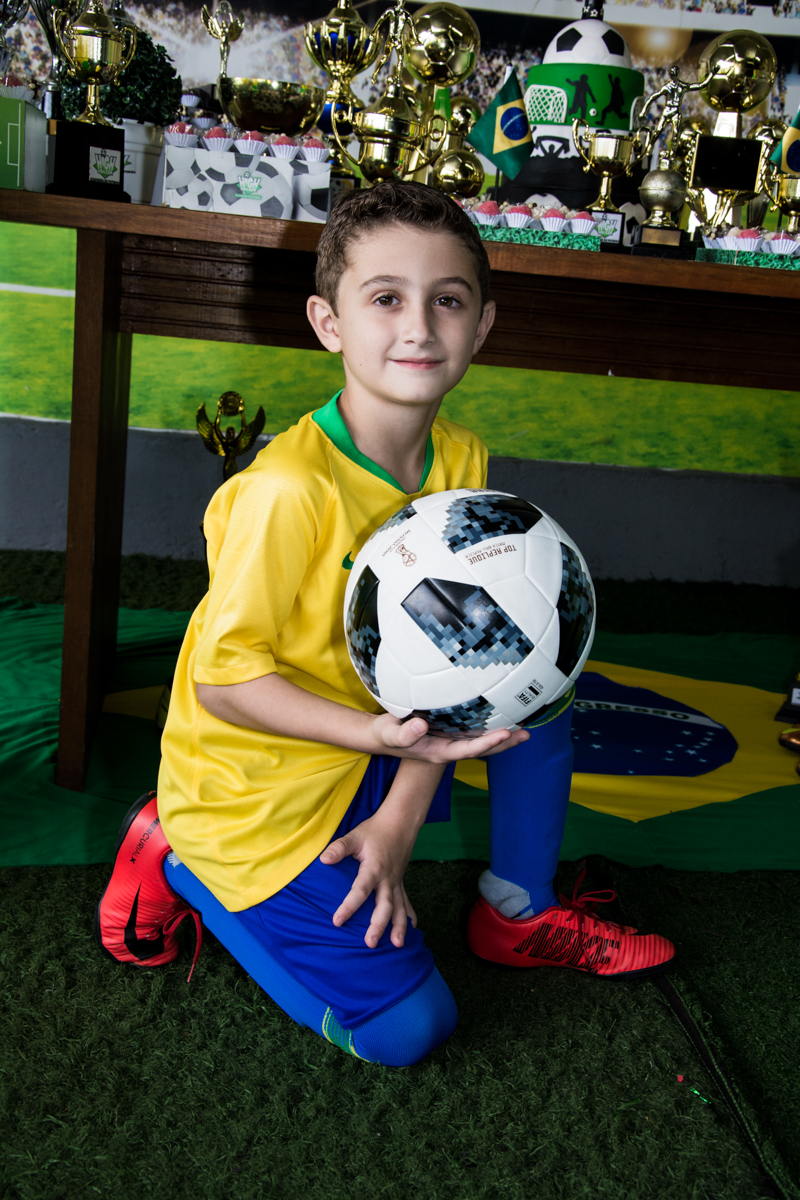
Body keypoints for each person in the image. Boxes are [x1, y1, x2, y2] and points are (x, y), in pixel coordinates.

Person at [96, 181, 674, 1067]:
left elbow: (466, 665)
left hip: (381, 742)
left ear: (482, 326)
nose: (419, 327)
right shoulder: (285, 493)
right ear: (329, 322)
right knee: (410, 1032)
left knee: (536, 686)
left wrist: (401, 817)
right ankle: (182, 860)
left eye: (448, 300)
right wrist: (379, 736)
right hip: (265, 793)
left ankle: (516, 908)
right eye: (386, 299)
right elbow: (225, 680)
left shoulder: (459, 457)